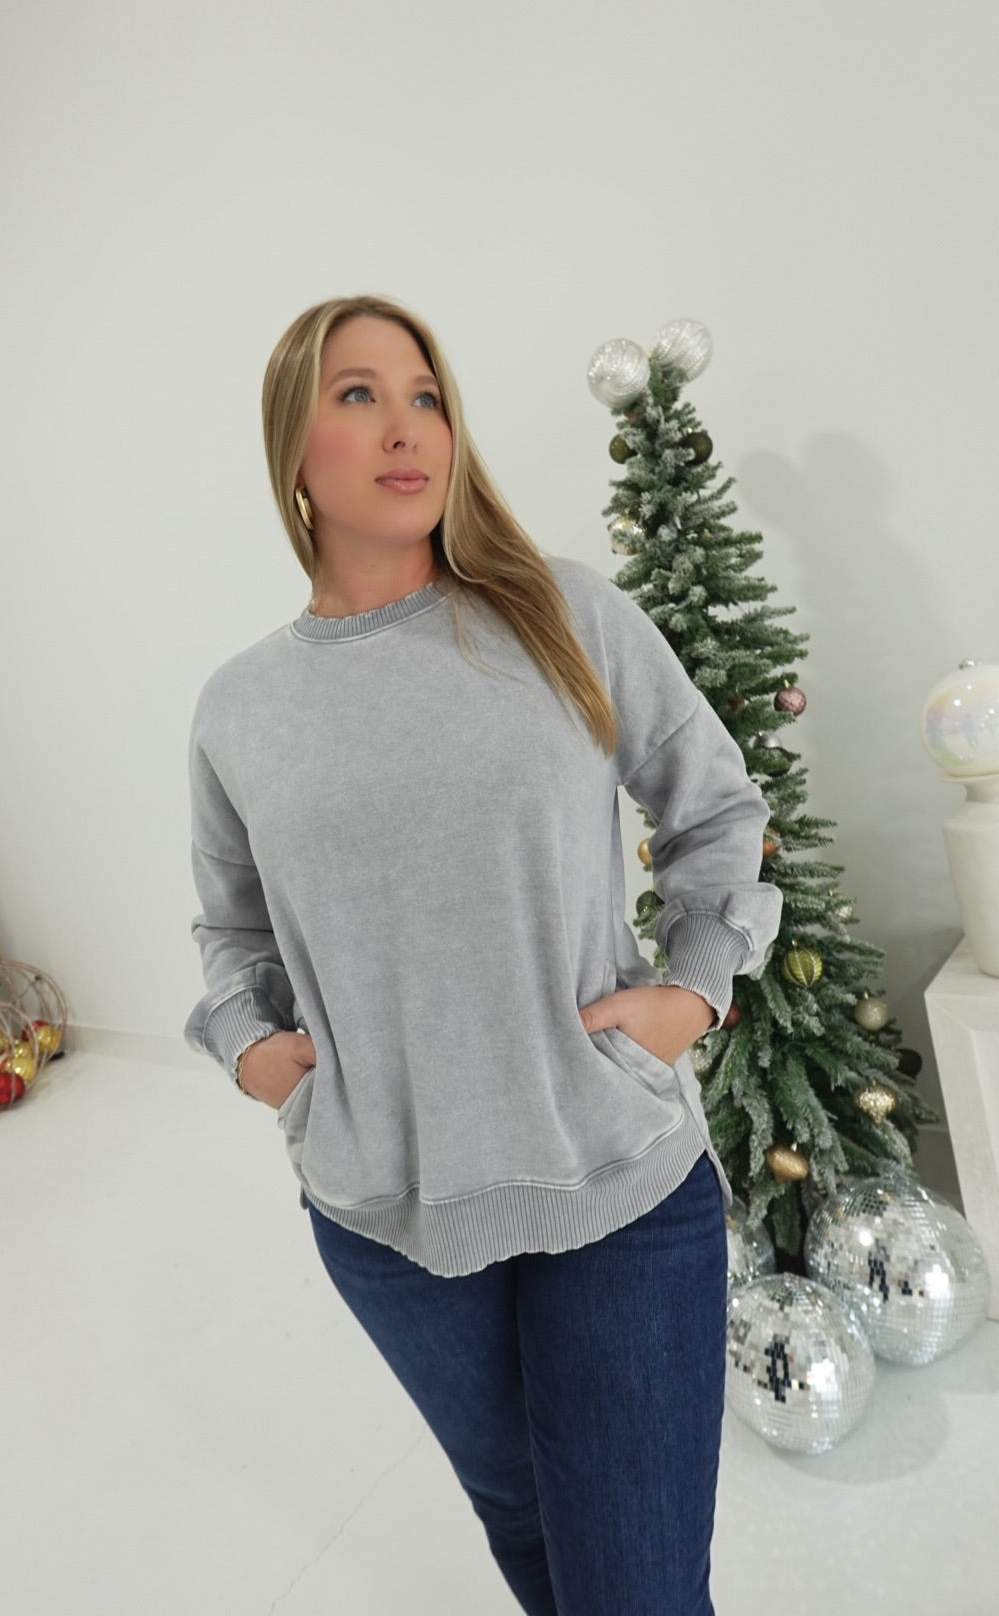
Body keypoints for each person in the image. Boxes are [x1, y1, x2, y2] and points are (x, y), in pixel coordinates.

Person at [184, 294, 783, 1615]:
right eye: (358, 394)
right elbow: (231, 929)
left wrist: (693, 991)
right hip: (384, 1217)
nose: (408, 427)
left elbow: (716, 810)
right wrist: (254, 1050)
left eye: (428, 396)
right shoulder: (241, 708)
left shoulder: (561, 612)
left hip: (614, 1190)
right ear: (291, 448)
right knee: (522, 1518)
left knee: (634, 1588)